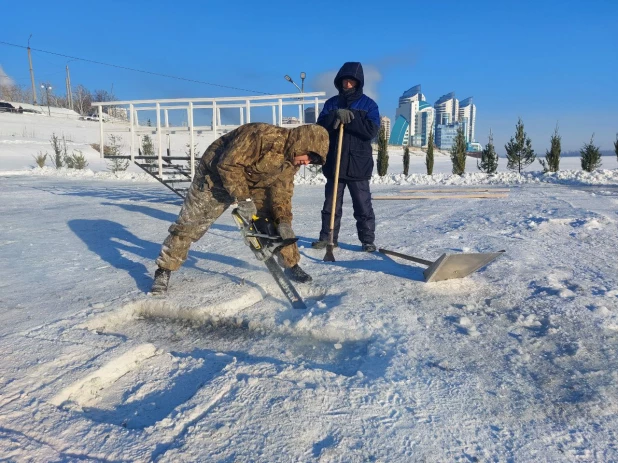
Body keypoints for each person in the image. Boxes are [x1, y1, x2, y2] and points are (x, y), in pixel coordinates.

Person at [151, 122, 329, 294]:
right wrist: (244, 199)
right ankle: (164, 269)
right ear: (302, 143)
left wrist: (283, 221)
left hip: (254, 182)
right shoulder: (261, 136)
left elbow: (282, 194)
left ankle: (291, 265)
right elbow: (228, 165)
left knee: (275, 224)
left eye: (313, 161)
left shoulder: (291, 162)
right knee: (190, 223)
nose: (308, 162)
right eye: (310, 156)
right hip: (214, 178)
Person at [312, 62, 380, 253]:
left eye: (351, 81)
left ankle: (367, 240)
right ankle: (327, 237)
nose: (348, 85)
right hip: (335, 163)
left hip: (358, 165)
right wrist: (335, 116)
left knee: (362, 207)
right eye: (345, 81)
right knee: (331, 206)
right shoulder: (332, 103)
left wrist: (352, 119)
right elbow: (320, 129)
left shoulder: (369, 105)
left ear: (358, 83)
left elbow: (371, 131)